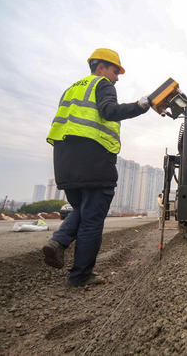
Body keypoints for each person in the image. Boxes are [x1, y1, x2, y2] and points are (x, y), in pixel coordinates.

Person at [42, 48, 151, 286]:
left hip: (64, 161)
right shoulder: (102, 84)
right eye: (115, 71)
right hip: (92, 160)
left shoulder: (72, 88)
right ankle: (80, 276)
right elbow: (109, 111)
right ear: (100, 67)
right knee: (92, 219)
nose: (117, 77)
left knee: (83, 211)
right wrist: (140, 106)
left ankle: (58, 241)